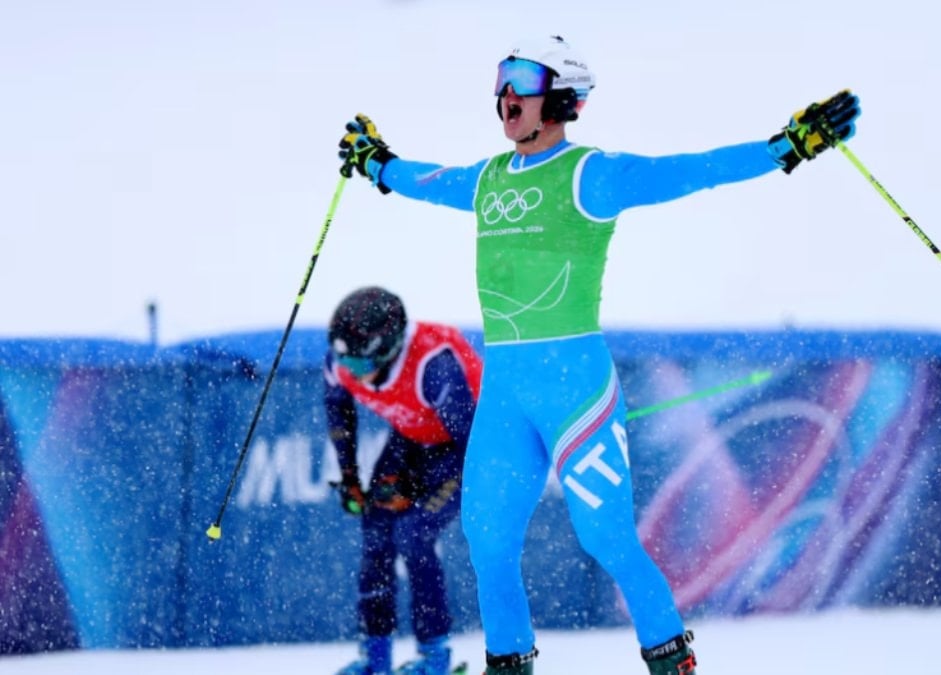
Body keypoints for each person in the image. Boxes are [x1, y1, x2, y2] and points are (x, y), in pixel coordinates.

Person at [335, 35, 860, 675]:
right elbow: (424, 180)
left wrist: (786, 148)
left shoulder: (591, 175)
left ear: (560, 98)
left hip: (575, 391)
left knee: (607, 539)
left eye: (523, 81)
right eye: (501, 79)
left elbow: (693, 169)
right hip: (506, 396)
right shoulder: (488, 179)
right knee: (489, 544)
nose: (506, 95)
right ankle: (510, 665)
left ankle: (670, 662)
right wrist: (377, 163)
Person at [325, 286, 482, 675]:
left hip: (468, 446)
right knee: (376, 532)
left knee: (413, 534)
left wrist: (423, 490)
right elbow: (337, 408)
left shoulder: (434, 366)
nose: (351, 372)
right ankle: (374, 658)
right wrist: (350, 477)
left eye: (360, 363)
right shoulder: (343, 360)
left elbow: (472, 449)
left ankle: (435, 658)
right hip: (413, 436)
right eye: (345, 361)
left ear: (389, 349)